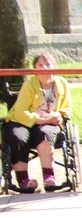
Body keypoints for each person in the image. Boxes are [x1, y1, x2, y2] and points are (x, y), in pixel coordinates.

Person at [4, 53, 72, 192]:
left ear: (54, 67)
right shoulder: (29, 84)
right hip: (21, 121)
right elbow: (20, 112)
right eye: (40, 65)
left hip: (49, 123)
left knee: (45, 133)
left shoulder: (62, 83)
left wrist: (59, 115)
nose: (44, 68)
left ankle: (49, 178)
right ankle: (24, 181)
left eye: (48, 64)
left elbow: (67, 108)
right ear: (34, 69)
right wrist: (41, 119)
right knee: (17, 137)